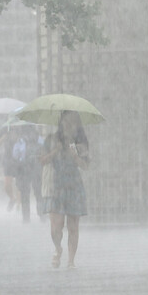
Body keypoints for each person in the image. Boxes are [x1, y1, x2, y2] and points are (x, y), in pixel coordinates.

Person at [40, 111, 90, 268]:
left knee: (73, 226)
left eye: (73, 122)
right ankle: (58, 248)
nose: (69, 126)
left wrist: (75, 156)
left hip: (74, 185)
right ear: (61, 123)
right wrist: (56, 150)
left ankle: (71, 260)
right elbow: (42, 160)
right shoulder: (51, 139)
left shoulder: (81, 142)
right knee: (56, 225)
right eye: (66, 122)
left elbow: (86, 165)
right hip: (56, 185)